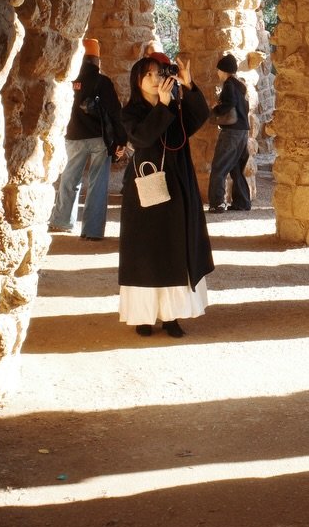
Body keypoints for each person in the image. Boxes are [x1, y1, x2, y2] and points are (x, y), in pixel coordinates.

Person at [118, 53, 215, 338]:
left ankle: (172, 317)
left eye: (158, 73)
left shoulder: (175, 106)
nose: (154, 78)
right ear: (137, 81)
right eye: (147, 74)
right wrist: (163, 107)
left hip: (176, 188)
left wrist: (188, 85)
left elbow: (201, 116)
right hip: (145, 192)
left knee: (174, 250)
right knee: (145, 254)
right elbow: (142, 138)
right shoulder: (131, 112)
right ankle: (143, 317)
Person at [49, 38, 127, 241]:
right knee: (98, 183)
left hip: (73, 136)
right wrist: (121, 139)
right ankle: (92, 231)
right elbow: (115, 112)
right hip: (99, 139)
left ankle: (61, 221)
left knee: (69, 180)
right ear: (96, 60)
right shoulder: (102, 82)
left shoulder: (69, 79)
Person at [208, 53, 252, 213]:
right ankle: (242, 202)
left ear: (224, 70)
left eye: (219, 70)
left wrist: (216, 109)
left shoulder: (228, 86)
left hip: (231, 133)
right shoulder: (240, 86)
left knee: (218, 168)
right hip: (242, 132)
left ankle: (217, 203)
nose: (218, 73)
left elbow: (229, 103)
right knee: (235, 168)